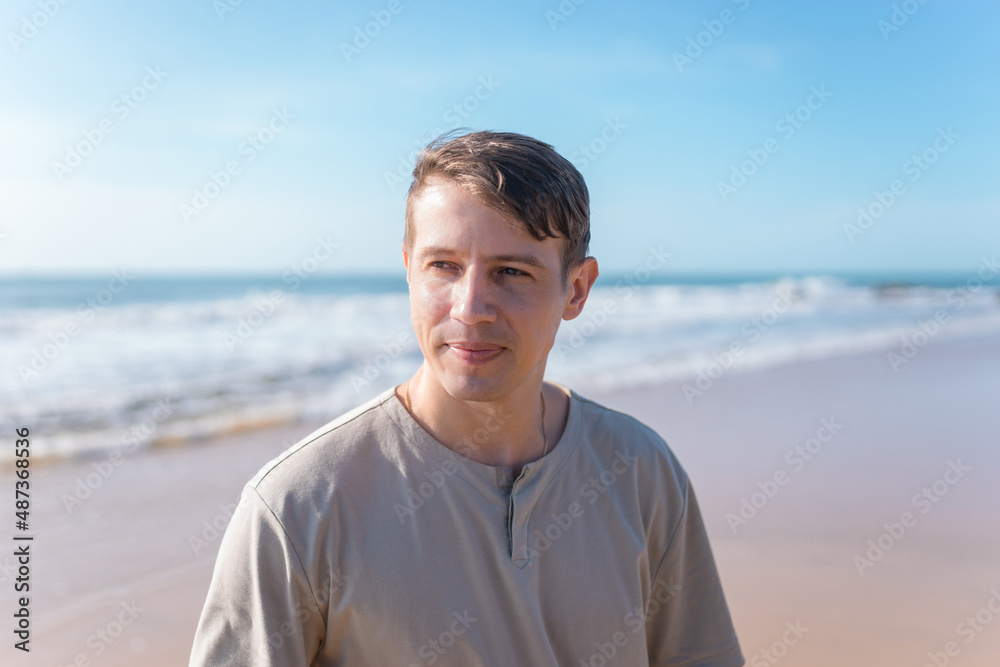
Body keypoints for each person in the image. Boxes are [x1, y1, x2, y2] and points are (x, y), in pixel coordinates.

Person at [189, 130, 744, 666]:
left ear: (576, 289)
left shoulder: (640, 469)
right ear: (409, 269)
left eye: (511, 271)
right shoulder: (299, 505)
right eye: (444, 267)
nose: (470, 307)